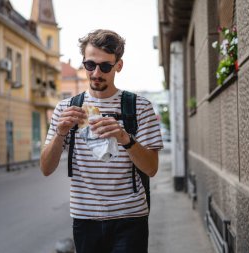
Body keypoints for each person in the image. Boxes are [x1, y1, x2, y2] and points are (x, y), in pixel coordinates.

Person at [40, 29, 163, 253]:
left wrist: (125, 138)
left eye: (105, 66)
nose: (96, 73)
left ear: (119, 66)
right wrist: (60, 133)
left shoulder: (140, 107)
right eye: (90, 65)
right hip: (85, 219)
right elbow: (46, 168)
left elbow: (152, 168)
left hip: (130, 218)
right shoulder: (65, 109)